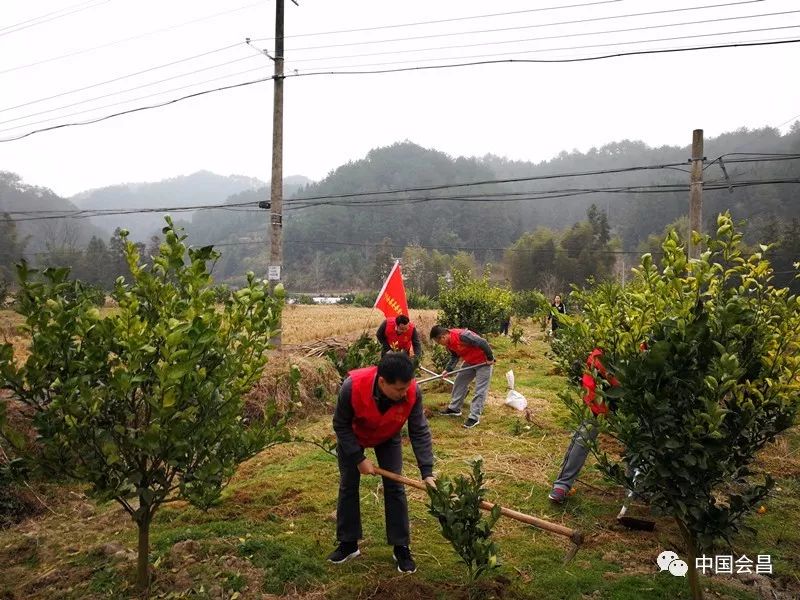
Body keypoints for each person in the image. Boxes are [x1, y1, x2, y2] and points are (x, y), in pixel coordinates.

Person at [329, 352, 435, 573]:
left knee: (395, 487)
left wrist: (427, 471)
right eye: (398, 390)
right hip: (354, 436)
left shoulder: (412, 391)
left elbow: (419, 431)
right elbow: (340, 424)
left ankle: (401, 546)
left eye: (406, 388)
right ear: (382, 382)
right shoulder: (352, 387)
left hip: (388, 436)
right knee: (348, 485)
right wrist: (358, 458)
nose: (403, 393)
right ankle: (348, 543)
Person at [548, 347, 620, 503]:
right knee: (583, 439)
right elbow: (601, 367)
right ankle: (562, 484)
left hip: (632, 401)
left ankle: (635, 486)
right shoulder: (603, 348)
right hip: (599, 400)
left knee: (638, 440)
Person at [430, 325, 496, 429]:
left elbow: (482, 342)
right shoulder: (449, 343)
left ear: (443, 337)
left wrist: (490, 357)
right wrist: (448, 370)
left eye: (438, 342)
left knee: (480, 390)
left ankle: (474, 417)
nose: (440, 345)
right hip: (470, 362)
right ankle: (454, 409)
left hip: (484, 362)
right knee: (459, 382)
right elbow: (455, 355)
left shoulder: (463, 336)